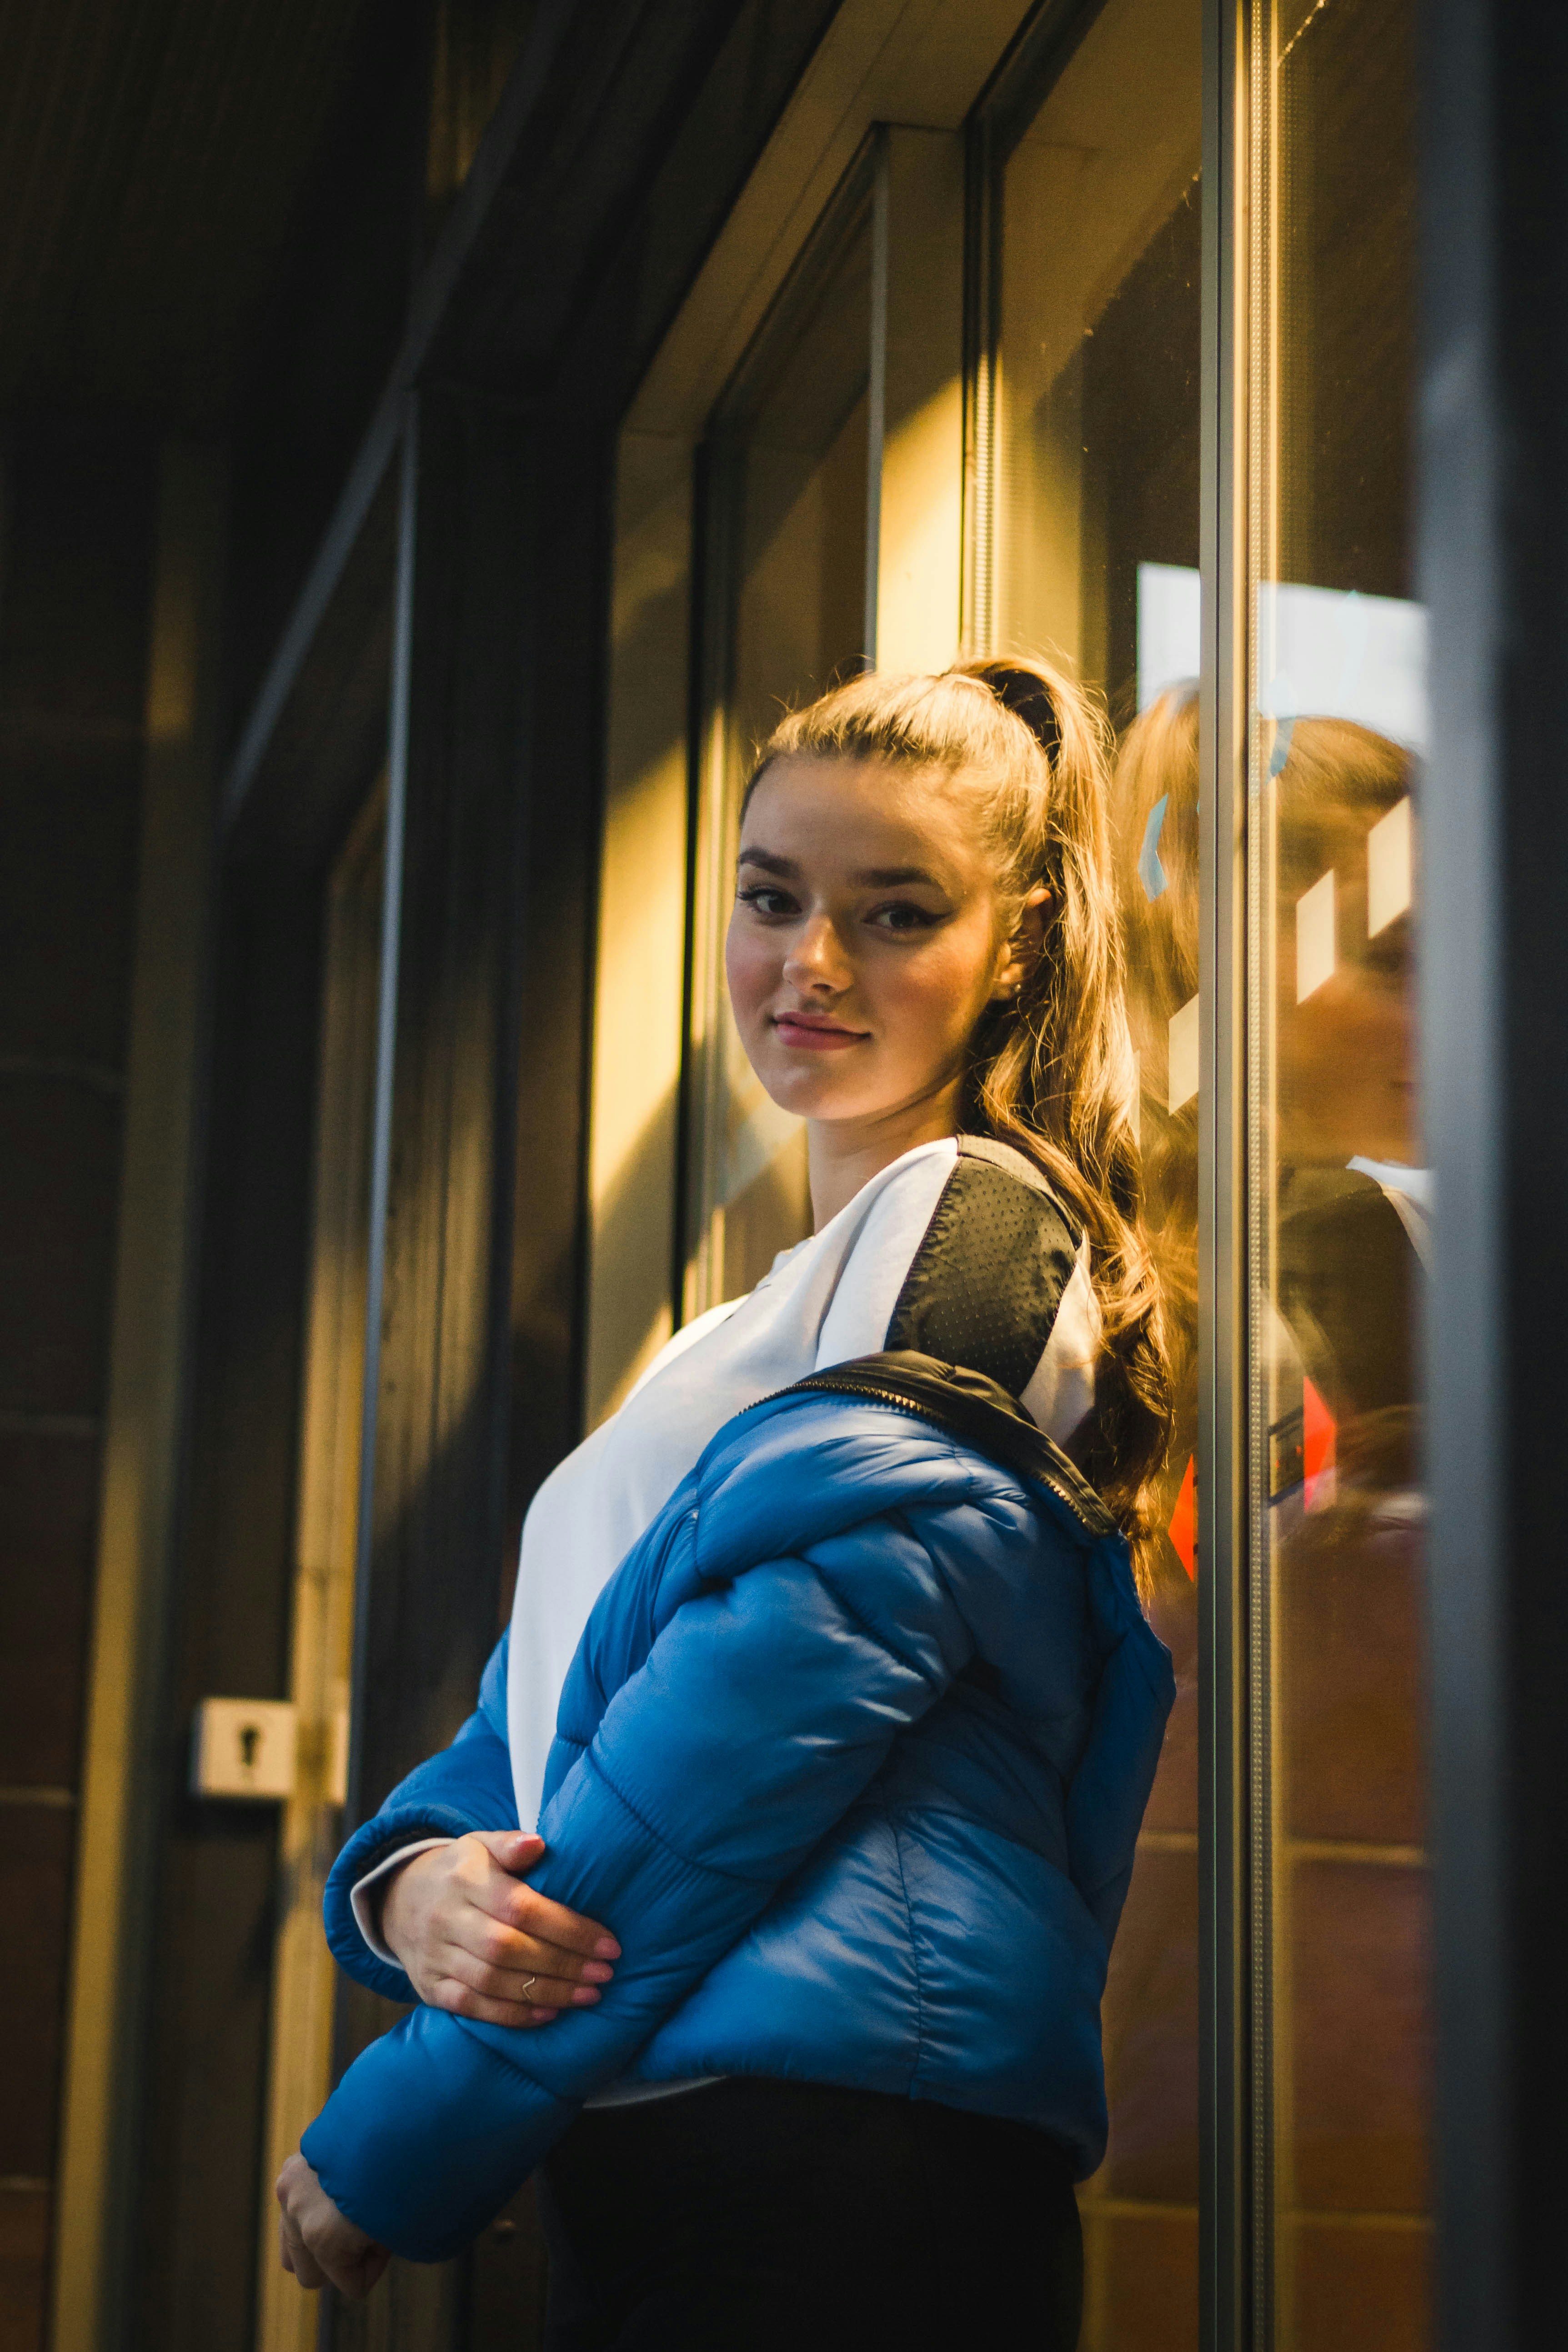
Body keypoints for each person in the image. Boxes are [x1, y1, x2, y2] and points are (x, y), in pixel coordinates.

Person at [275, 657, 1178, 2348]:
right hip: (678, 2125)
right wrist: (410, 1884)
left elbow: (769, 1688)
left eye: (894, 913)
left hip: (843, 2147)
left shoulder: (971, 1227)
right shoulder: (731, 1330)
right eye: (772, 898)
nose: (811, 965)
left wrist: (421, 2112)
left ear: (1022, 944)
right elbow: (539, 1709)